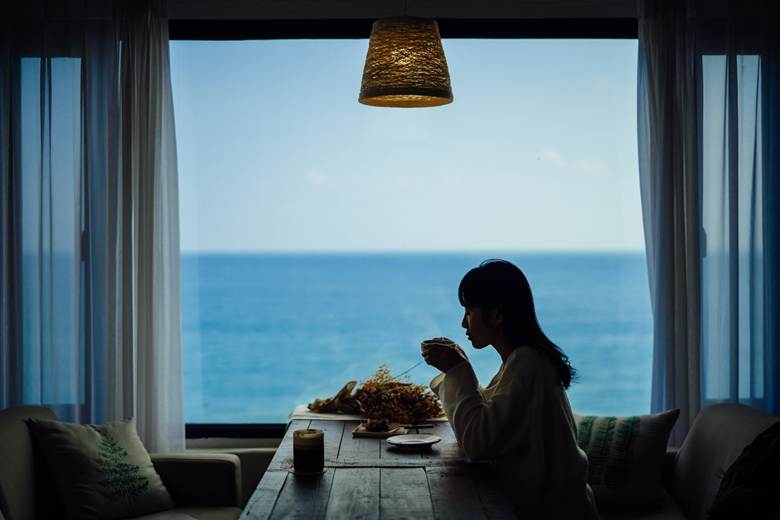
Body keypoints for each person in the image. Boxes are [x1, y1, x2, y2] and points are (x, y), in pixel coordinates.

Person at [421, 259, 600, 520]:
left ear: (496, 315)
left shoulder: (527, 364)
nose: (463, 323)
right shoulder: (523, 361)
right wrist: (459, 369)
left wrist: (458, 371)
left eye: (469, 311)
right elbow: (494, 421)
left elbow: (478, 441)